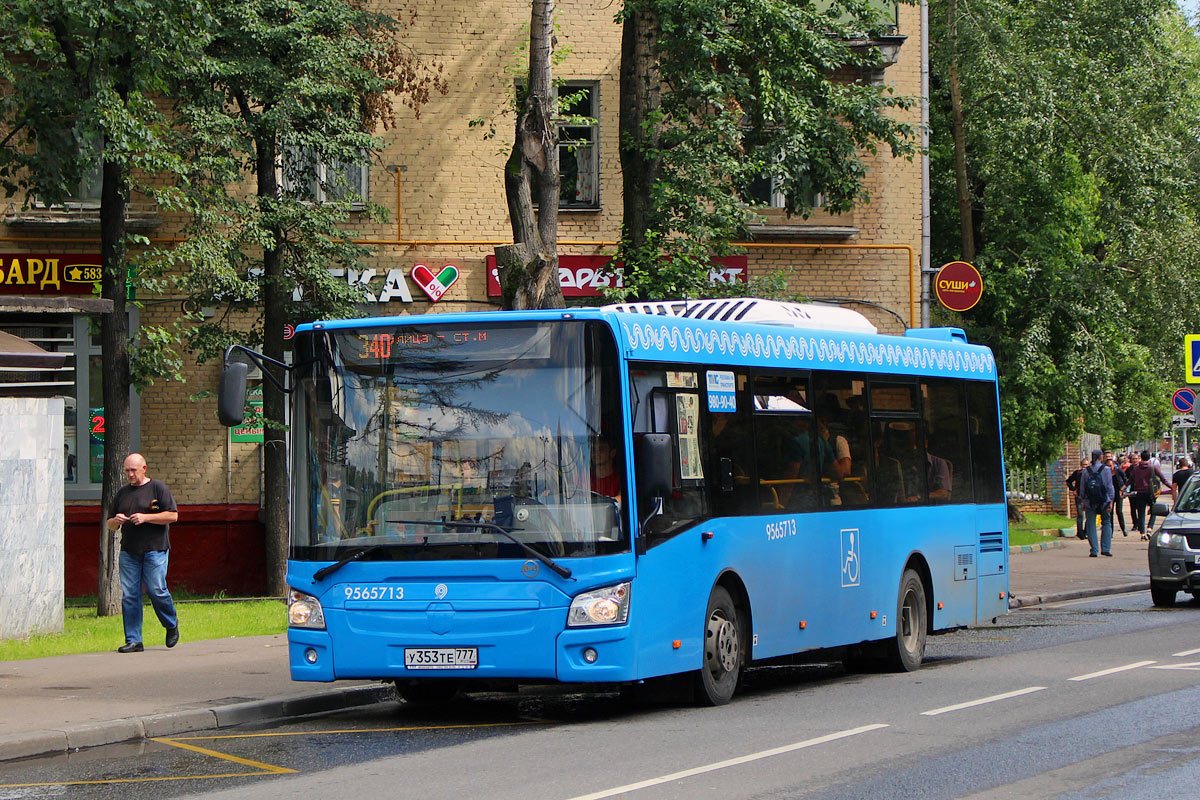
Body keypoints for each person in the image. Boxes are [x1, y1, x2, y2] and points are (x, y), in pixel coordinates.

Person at [106, 453, 180, 653]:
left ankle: (171, 624)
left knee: (156, 589)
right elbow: (110, 524)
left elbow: (173, 516)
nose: (130, 474)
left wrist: (146, 518)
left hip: (155, 549)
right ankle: (134, 640)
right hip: (129, 551)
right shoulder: (122, 493)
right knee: (130, 595)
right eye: (127, 471)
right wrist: (117, 520)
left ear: (144, 469)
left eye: (133, 470)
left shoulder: (158, 488)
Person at [1126, 450, 1172, 540]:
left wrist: (1123, 488)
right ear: (1149, 457)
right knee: (1154, 511)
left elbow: (1130, 480)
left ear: (1141, 458)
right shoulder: (1153, 467)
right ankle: (1149, 529)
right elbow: (1164, 479)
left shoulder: (1136, 469)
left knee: (1141, 513)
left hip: (1139, 493)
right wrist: (1172, 488)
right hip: (1151, 493)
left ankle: (1142, 533)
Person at [1077, 449, 1114, 557]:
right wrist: (1111, 500)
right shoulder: (1106, 470)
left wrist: (1083, 500)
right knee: (1106, 522)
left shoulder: (1086, 471)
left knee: (1091, 523)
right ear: (1101, 458)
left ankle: (1094, 549)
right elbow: (1109, 487)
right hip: (1104, 500)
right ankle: (1106, 548)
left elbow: (1082, 488)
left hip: (1090, 501)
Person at [1106, 451, 1128, 537]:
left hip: (1118, 493)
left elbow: (1126, 479)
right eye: (1108, 466)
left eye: (1110, 466)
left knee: (1119, 511)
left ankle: (1123, 529)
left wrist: (1123, 490)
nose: (1109, 468)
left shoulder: (1118, 470)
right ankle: (1110, 531)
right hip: (1109, 495)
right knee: (1110, 512)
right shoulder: (1105, 473)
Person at [1065, 459, 1088, 540]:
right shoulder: (1078, 473)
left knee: (1089, 515)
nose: (1085, 466)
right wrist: (1073, 489)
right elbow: (1068, 481)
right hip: (1079, 496)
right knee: (1080, 515)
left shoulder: (1091, 473)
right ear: (1081, 465)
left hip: (1088, 497)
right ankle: (1080, 532)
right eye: (1083, 465)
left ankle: (1086, 532)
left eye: (1086, 465)